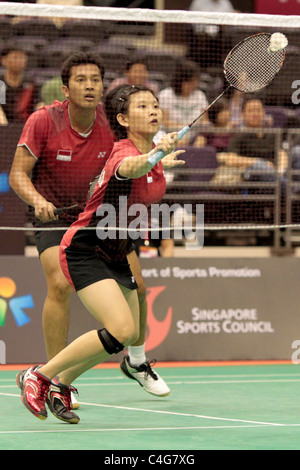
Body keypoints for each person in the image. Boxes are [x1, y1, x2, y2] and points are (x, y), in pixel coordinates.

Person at [9, 53, 169, 421]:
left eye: (96, 79)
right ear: (66, 89)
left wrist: (159, 155)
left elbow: (130, 156)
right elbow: (18, 173)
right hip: (55, 214)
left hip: (101, 219)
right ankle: (46, 376)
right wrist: (38, 201)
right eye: (81, 80)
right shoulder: (44, 119)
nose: (90, 86)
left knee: (136, 298)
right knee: (59, 284)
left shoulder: (108, 123)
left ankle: (124, 365)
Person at [217, 98, 288, 183]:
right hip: (250, 174)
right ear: (243, 115)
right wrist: (258, 162)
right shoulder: (238, 134)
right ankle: (291, 189)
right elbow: (231, 159)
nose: (255, 114)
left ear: (264, 113)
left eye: (258, 110)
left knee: (297, 152)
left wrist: (280, 170)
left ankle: (287, 185)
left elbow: (281, 153)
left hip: (274, 171)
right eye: (250, 111)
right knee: (259, 165)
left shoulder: (271, 133)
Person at [158, 59, 209, 144]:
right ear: (180, 81)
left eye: (195, 81)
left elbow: (205, 120)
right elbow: (164, 122)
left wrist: (204, 126)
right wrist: (185, 126)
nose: (194, 85)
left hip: (194, 136)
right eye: (190, 82)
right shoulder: (166, 95)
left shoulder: (200, 95)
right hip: (172, 135)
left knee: (201, 141)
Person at [0, 45, 36, 124]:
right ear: (4, 60)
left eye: (22, 58)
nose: (19, 61)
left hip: (26, 126)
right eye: (15, 57)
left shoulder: (30, 83)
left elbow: (37, 104)